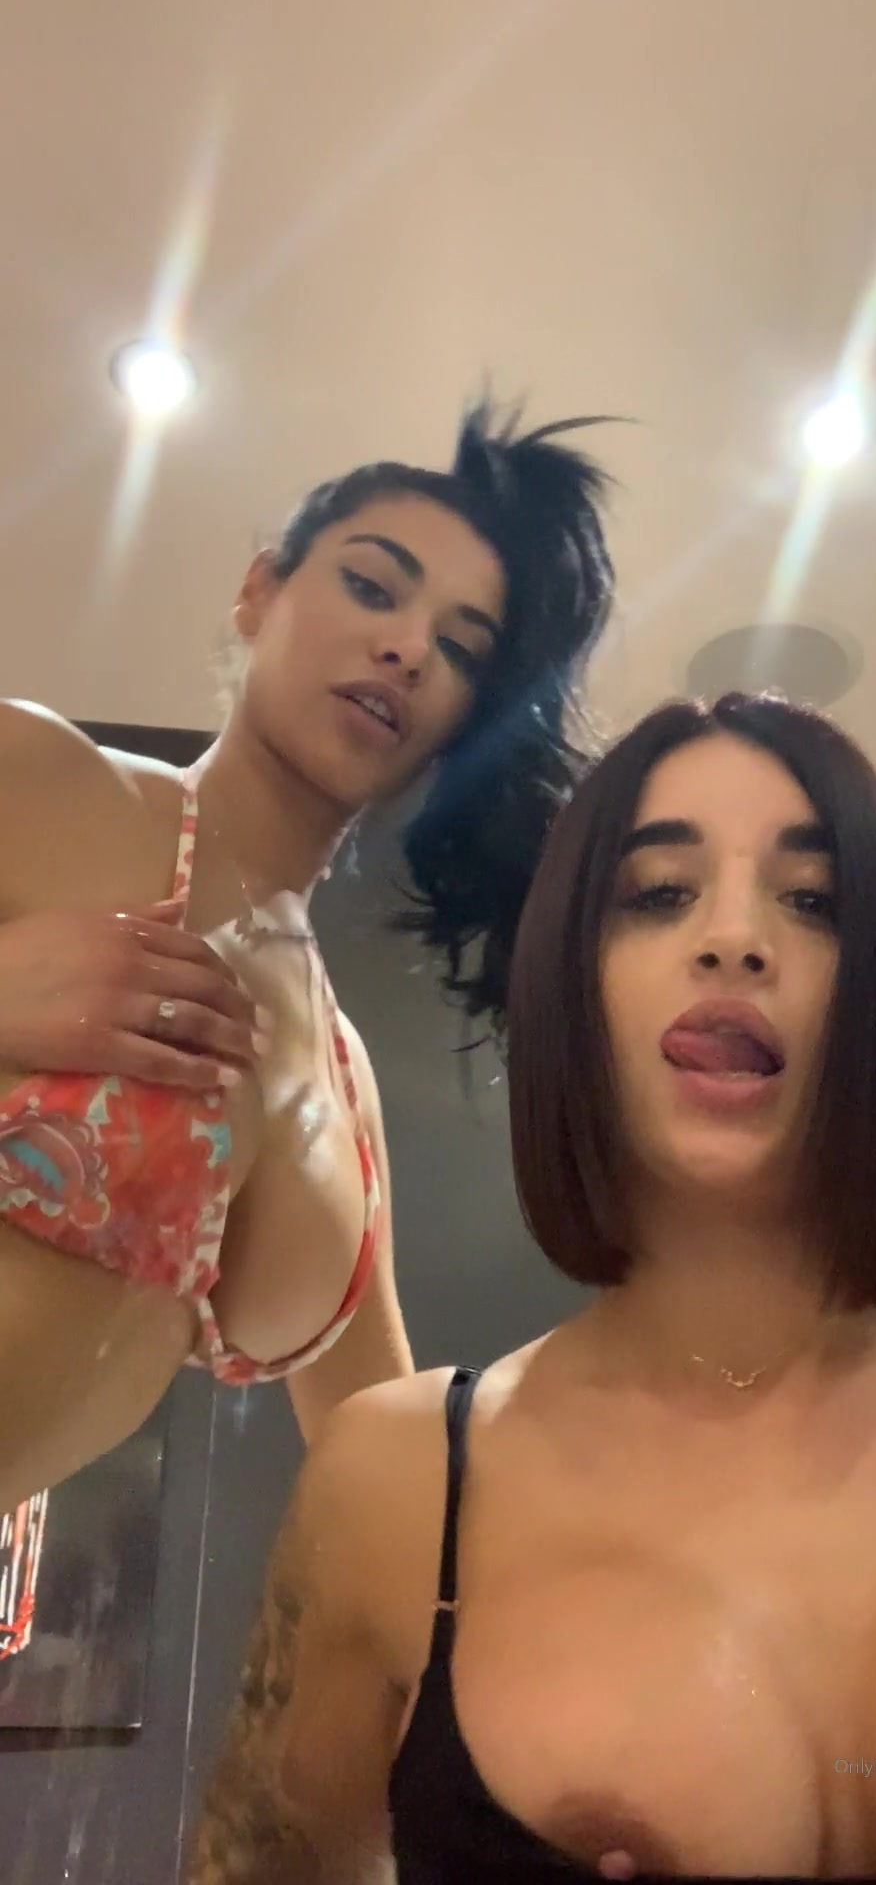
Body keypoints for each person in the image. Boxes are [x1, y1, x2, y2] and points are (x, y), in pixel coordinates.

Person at [190, 691, 876, 1884]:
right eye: (659, 893)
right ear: (573, 980)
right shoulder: (396, 1489)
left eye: (813, 901)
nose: (734, 938)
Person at [0, 400, 615, 1512]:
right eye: (373, 586)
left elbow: (386, 1459)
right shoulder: (42, 784)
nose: (408, 647)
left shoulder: (343, 1083)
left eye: (461, 648)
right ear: (259, 590)